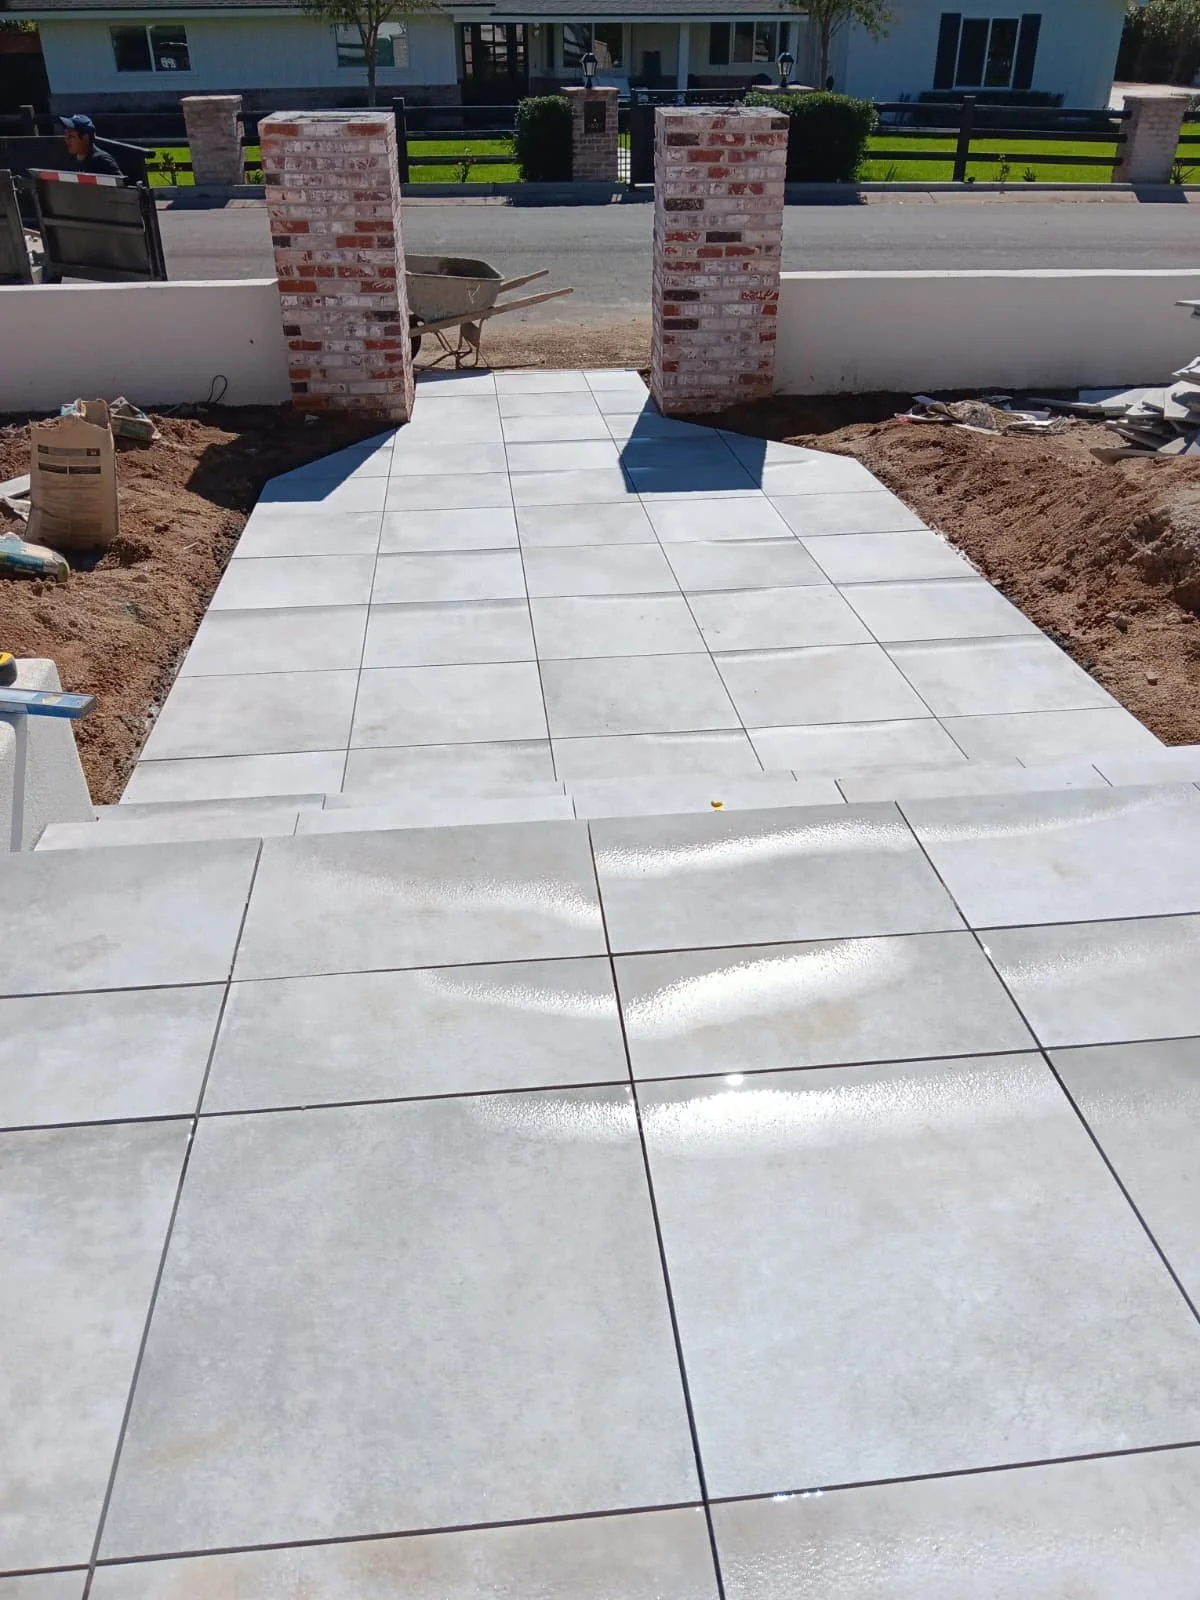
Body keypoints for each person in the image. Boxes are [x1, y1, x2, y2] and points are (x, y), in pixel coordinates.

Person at [57, 114, 124, 178]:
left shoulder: (102, 161)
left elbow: (119, 187)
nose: (66, 139)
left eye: (71, 136)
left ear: (85, 138)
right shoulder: (70, 161)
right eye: (66, 135)